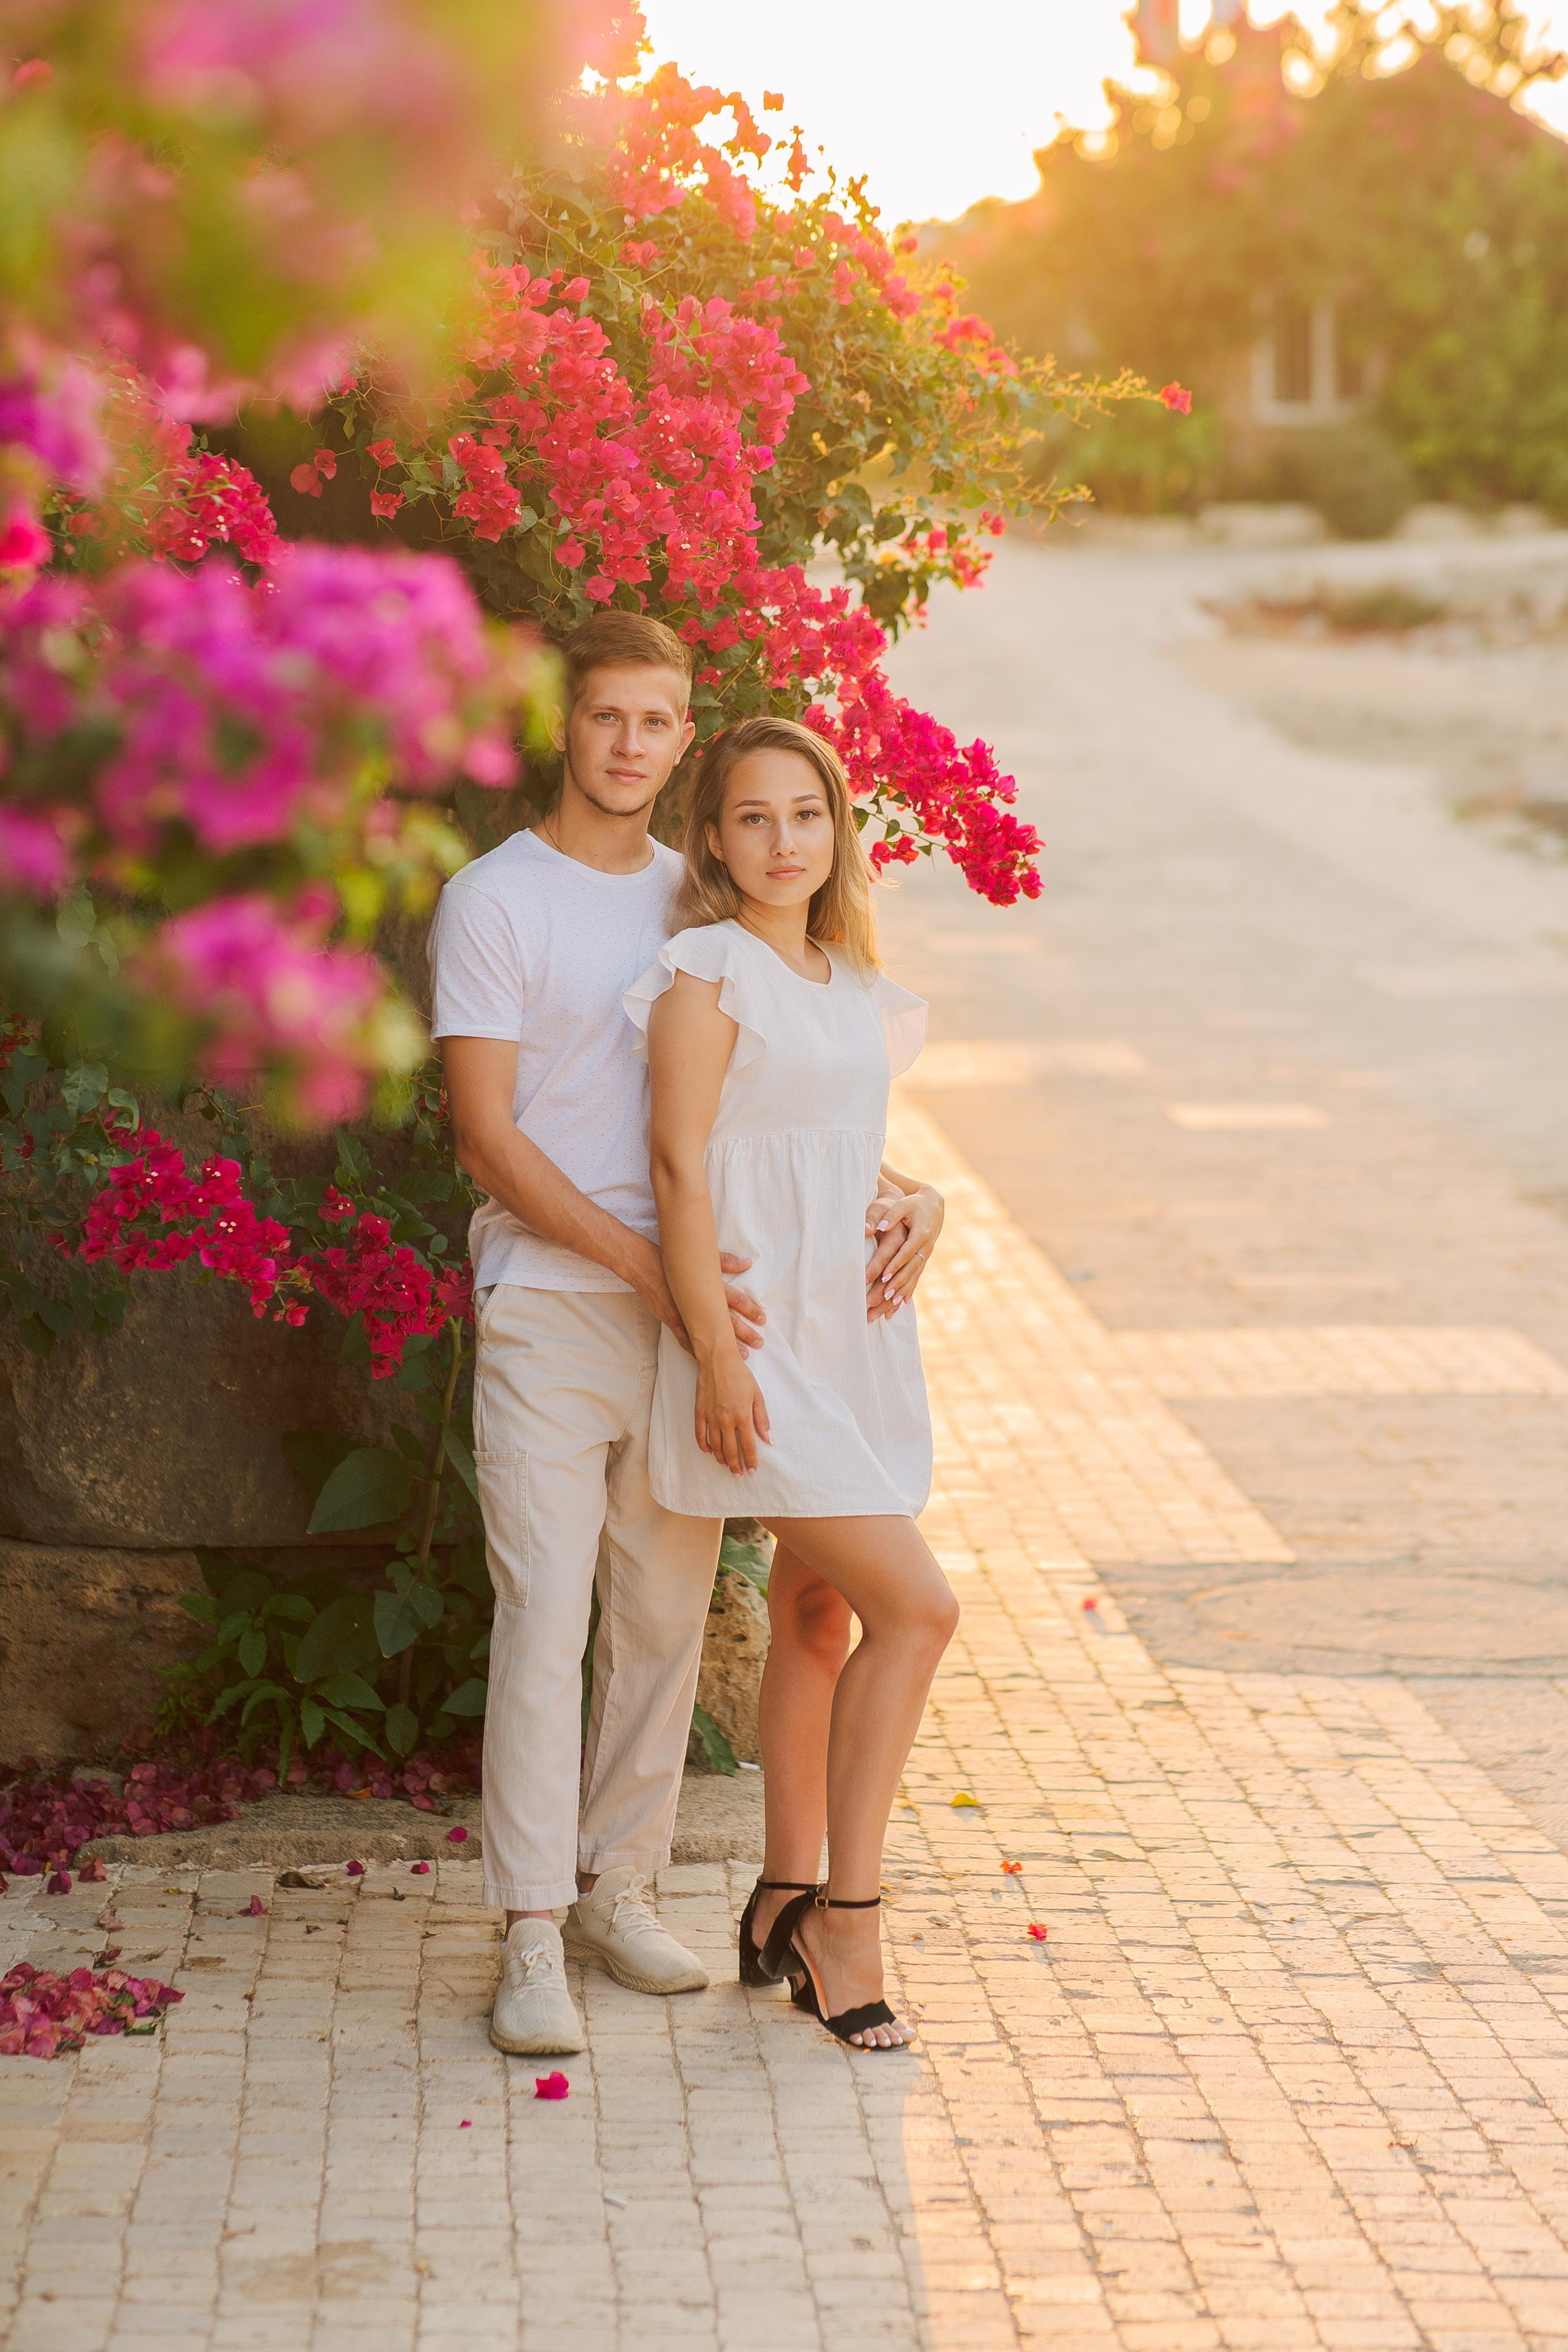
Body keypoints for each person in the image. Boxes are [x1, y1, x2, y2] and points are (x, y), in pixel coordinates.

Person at [429, 612, 779, 2057]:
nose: (630, 747)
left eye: (656, 723)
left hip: (685, 1316)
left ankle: (617, 1889)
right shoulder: (494, 900)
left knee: (657, 1619)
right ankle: (525, 1928)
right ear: (562, 730)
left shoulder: (706, 906)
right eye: (605, 721)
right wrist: (650, 1269)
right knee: (544, 1612)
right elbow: (484, 1139)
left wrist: (908, 1191)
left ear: (683, 736)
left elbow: (778, 1087)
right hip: (555, 1307)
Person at [625, 715, 957, 2050]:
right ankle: (847, 1918)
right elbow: (681, 1169)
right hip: (757, 1349)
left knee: (820, 1619)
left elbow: (834, 1148)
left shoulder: (850, 982)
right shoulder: (704, 972)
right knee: (918, 1613)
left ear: (836, 834)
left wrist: (923, 1195)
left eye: (804, 816)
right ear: (711, 837)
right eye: (752, 818)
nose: (781, 842)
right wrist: (710, 1349)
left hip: (855, 1341)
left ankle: (777, 1888)